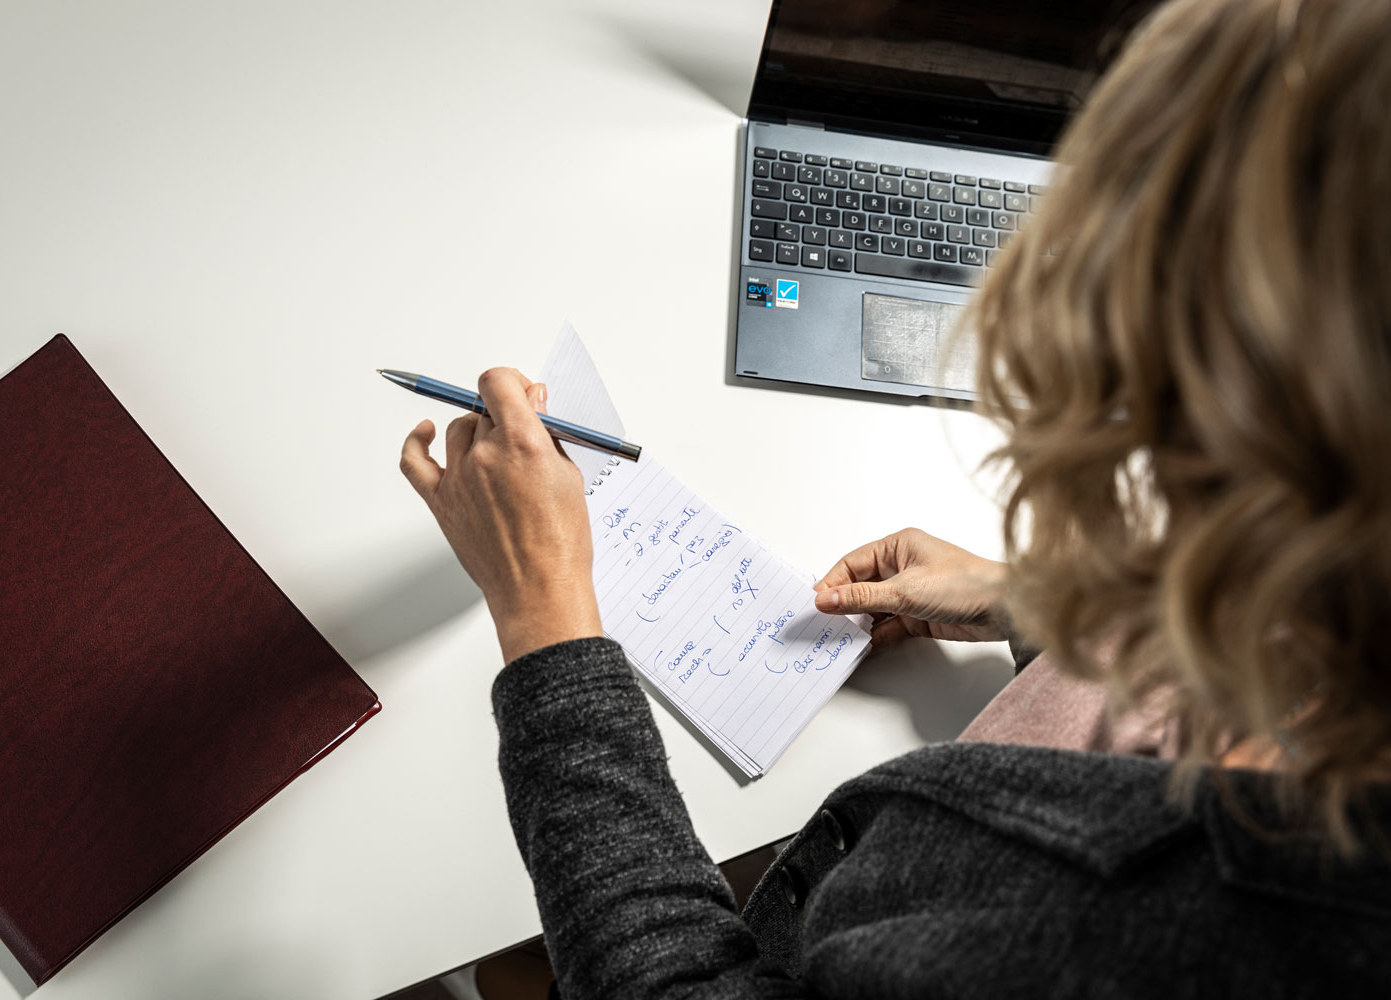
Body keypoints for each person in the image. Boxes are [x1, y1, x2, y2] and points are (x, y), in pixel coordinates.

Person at [400, 0, 1391, 995]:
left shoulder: (1130, 930)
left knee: (486, 964)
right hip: (852, 852)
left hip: (830, 902)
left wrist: (544, 616)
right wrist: (1045, 609)